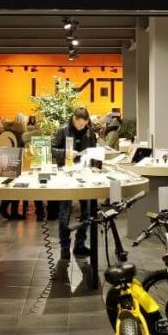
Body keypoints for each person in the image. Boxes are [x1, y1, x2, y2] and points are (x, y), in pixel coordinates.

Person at [53, 107, 97, 259]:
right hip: (66, 173)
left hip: (84, 173)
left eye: (84, 125)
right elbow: (52, 149)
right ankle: (64, 246)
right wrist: (66, 153)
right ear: (74, 119)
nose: (81, 127)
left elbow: (93, 150)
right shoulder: (63, 130)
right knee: (64, 212)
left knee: (87, 211)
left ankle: (80, 244)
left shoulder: (90, 132)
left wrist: (93, 159)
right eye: (79, 124)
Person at [21, 116, 46, 220]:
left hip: (27, 163)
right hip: (39, 161)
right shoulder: (42, 135)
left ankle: (25, 210)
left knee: (26, 187)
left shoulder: (24, 136)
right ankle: (40, 211)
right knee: (37, 187)